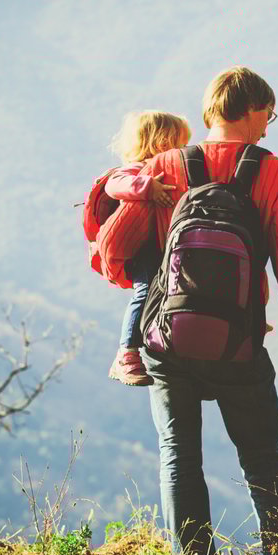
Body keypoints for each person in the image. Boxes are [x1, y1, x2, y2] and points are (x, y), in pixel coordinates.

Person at [103, 66, 278, 555]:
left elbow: (112, 246)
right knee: (263, 458)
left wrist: (142, 280)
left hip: (167, 342)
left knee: (179, 453)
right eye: (268, 112)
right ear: (250, 110)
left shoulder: (162, 167)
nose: (269, 124)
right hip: (240, 345)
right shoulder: (275, 174)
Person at [102, 110, 186, 387]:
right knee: (146, 290)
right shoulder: (135, 169)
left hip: (165, 245)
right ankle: (126, 352)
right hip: (143, 249)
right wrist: (147, 186)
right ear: (160, 142)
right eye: (178, 143)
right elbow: (115, 186)